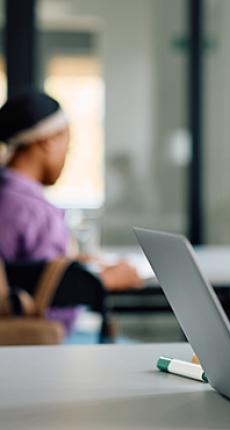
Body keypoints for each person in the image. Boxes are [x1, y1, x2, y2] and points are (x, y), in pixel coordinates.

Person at [0, 90, 143, 334]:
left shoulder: (8, 195)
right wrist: (100, 282)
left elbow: (25, 275)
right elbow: (52, 308)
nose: (67, 155)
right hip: (35, 345)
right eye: (67, 143)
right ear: (47, 141)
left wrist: (72, 268)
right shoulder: (35, 212)